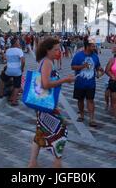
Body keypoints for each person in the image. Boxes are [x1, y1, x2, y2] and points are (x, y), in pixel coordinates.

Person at [28, 38, 75, 168]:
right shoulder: (47, 62)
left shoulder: (46, 61)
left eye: (59, 49)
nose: (59, 51)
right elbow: (45, 84)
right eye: (56, 49)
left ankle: (32, 163)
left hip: (42, 103)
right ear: (48, 50)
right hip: (45, 105)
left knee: (41, 130)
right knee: (61, 129)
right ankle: (57, 161)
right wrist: (65, 80)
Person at [71, 39, 104, 127]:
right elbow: (72, 67)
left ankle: (91, 119)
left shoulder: (95, 56)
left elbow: (97, 66)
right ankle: (81, 115)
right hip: (80, 82)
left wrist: (100, 70)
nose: (94, 47)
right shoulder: (78, 56)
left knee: (90, 100)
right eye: (93, 46)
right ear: (87, 46)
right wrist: (82, 66)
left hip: (91, 83)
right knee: (80, 100)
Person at [3, 38, 25, 106]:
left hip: (8, 71)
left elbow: (5, 59)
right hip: (16, 71)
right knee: (17, 86)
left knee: (13, 82)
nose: (19, 43)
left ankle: (11, 97)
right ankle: (14, 101)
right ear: (15, 43)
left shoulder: (7, 50)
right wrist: (22, 68)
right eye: (18, 42)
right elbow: (23, 61)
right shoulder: (19, 50)